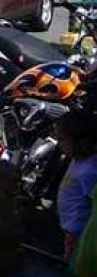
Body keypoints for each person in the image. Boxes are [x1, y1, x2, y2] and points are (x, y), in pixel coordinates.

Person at [57, 110, 97, 266]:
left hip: (79, 233)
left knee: (75, 264)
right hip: (70, 228)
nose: (58, 144)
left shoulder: (90, 170)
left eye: (62, 139)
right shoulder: (78, 160)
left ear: (82, 142)